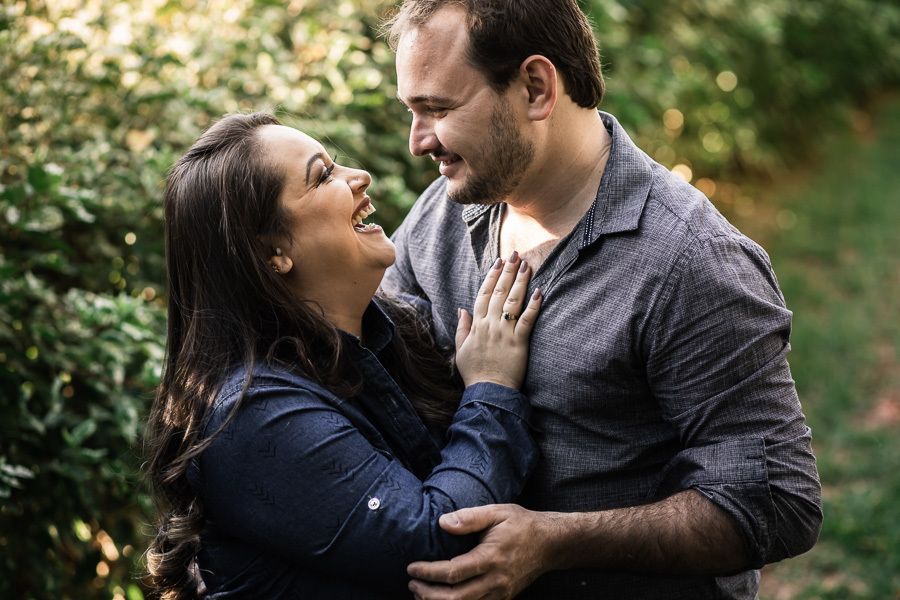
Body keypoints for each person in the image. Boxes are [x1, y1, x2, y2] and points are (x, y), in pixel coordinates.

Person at [381, 1, 823, 599]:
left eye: (438, 109)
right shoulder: (443, 211)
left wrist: (555, 542)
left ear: (536, 88)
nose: (417, 142)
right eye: (411, 110)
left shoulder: (690, 260)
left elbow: (779, 501)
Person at [143, 112, 545, 599]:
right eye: (323, 176)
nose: (361, 176)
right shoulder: (253, 417)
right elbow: (436, 544)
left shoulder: (399, 329)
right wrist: (492, 387)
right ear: (272, 252)